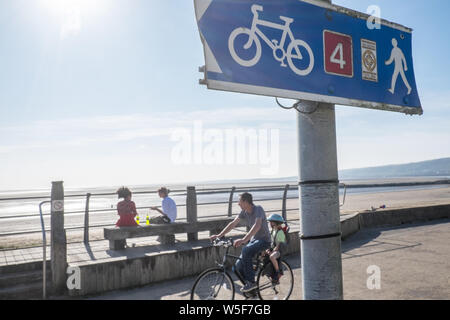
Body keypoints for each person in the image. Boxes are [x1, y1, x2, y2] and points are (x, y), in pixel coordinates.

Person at [210, 192, 271, 293]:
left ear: (246, 202)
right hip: (254, 241)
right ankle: (252, 291)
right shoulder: (244, 212)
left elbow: (257, 225)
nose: (238, 204)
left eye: (239, 201)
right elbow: (233, 223)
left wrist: (244, 240)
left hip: (264, 241)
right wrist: (219, 235)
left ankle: (251, 283)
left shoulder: (258, 209)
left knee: (246, 250)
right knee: (237, 267)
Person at [266, 214, 287, 283]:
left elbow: (278, 244)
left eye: (272, 222)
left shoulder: (280, 232)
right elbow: (272, 242)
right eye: (270, 222)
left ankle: (278, 271)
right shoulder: (273, 231)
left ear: (277, 223)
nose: (270, 224)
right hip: (275, 249)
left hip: (279, 250)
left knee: (272, 257)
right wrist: (269, 249)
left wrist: (273, 250)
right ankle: (270, 272)